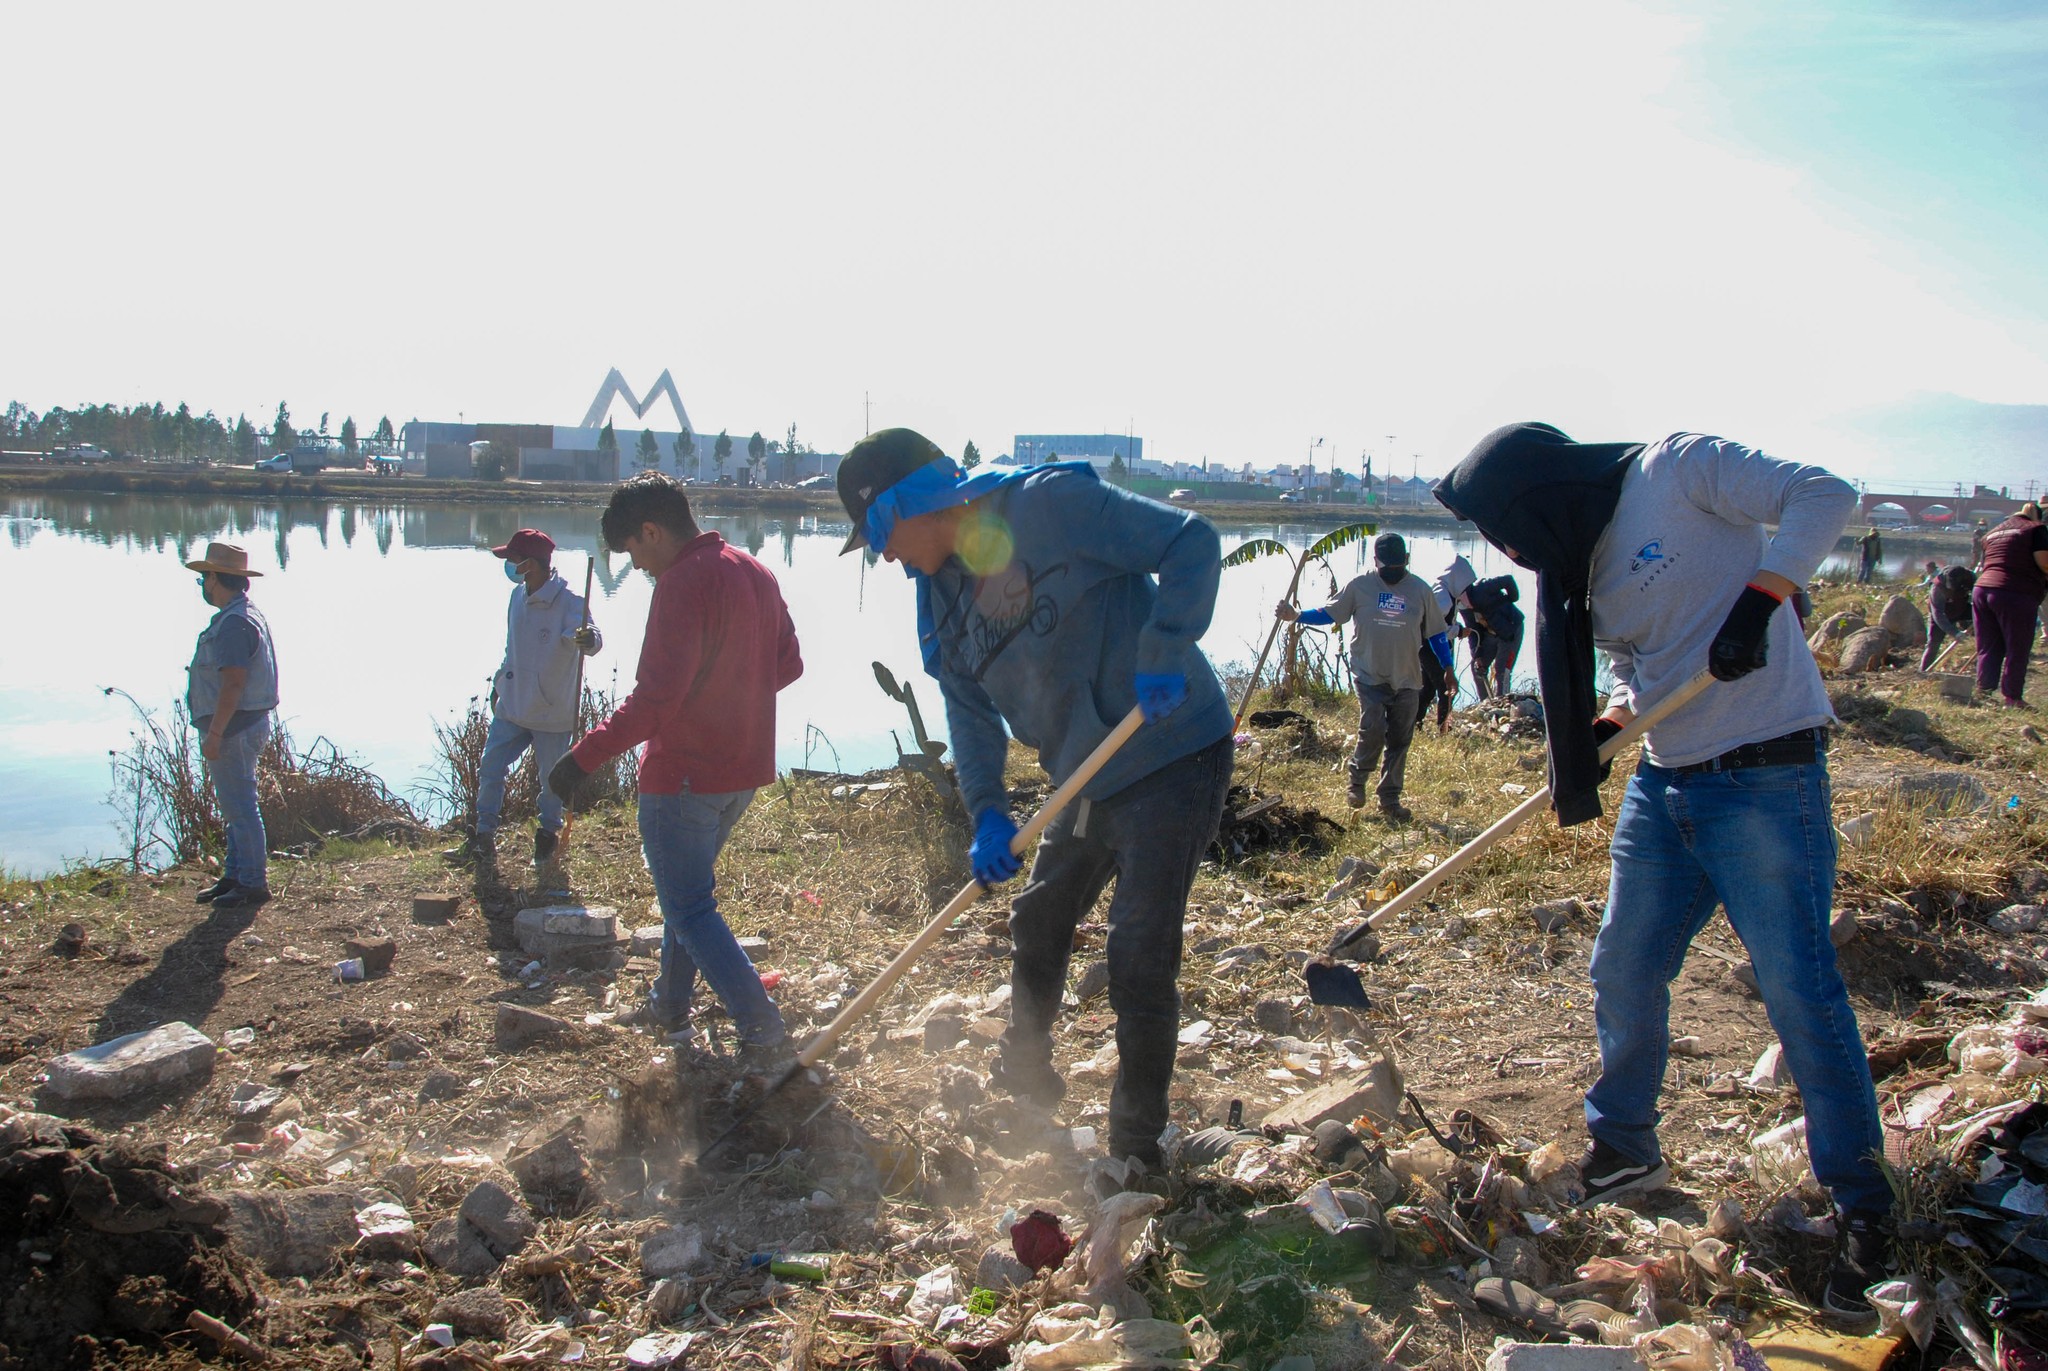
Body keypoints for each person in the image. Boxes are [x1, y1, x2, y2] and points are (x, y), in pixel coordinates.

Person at [1435, 423, 1887, 1318]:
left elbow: (1826, 491)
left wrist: (1763, 599)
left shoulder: (1678, 470)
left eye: (1504, 528)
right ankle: (1627, 1144)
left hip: (1766, 774)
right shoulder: (1579, 569)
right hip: (1666, 784)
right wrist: (1610, 723)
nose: (1507, 550)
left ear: (1540, 494)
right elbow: (1633, 667)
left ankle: (1867, 1207)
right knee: (1625, 961)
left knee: (1799, 988)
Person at [835, 428, 1233, 1168]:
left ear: (914, 501)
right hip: (1087, 771)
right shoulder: (937, 601)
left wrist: (1165, 645)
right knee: (1040, 917)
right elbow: (968, 709)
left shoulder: (1050, 505)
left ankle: (1137, 1144)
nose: (883, 555)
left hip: (1171, 747)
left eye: (880, 534)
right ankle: (1024, 1081)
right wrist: (986, 806)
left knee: (1139, 950)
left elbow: (1190, 543)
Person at [546, 474, 802, 1059]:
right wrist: (730, 700)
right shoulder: (753, 569)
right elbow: (788, 663)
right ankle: (669, 1006)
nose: (636, 566)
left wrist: (582, 758)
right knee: (688, 901)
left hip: (684, 777)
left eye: (633, 550)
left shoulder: (683, 581)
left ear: (652, 531)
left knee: (688, 906)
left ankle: (760, 1024)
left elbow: (655, 700)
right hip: (742, 773)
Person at [451, 529, 601, 868]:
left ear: (530, 564)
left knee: (551, 782)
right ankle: (483, 836)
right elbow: (512, 647)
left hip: (551, 712)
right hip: (512, 705)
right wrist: (500, 682)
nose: (509, 565)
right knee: (491, 766)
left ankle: (547, 837)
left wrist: (586, 639)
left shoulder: (571, 602)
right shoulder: (517, 597)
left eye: (512, 560)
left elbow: (592, 638)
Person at [1275, 533, 1451, 819]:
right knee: (1373, 729)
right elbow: (1331, 613)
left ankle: (1390, 799)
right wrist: (1296, 615)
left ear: (1406, 561)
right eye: (1386, 566)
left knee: (1400, 739)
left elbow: (1436, 633)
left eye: (1398, 566)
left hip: (1406, 678)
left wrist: (1448, 668)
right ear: (1376, 562)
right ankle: (1357, 782)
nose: (1392, 571)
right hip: (1370, 675)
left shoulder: (1420, 590)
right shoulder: (1360, 586)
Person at [184, 542, 279, 912]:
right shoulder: (241, 614)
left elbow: (233, 683)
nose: (202, 587)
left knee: (240, 807)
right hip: (242, 726)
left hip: (235, 730)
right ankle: (235, 876)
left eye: (203, 579)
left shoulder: (234, 623)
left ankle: (253, 883)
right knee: (235, 806)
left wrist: (216, 734)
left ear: (214, 579)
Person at [1971, 502, 2048, 708]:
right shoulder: (2035, 529)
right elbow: (2044, 562)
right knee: (2017, 647)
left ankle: (1984, 692)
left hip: (1982, 590)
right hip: (2014, 592)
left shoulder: (1994, 532)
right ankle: (2012, 698)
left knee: (1988, 646)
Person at [1465, 573, 1525, 699]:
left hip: (1511, 630)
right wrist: (1477, 655)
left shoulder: (1482, 588)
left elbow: (1508, 580)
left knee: (1502, 670)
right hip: (1490, 634)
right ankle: (1486, 704)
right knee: (1477, 668)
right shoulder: (1463, 608)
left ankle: (1503, 703)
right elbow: (1473, 632)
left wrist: (1512, 599)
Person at [1922, 564, 1975, 673]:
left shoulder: (1970, 577)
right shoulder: (1937, 588)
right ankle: (1923, 672)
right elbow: (1938, 614)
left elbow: (1976, 596)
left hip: (1961, 607)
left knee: (1983, 615)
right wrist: (1955, 633)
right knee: (1933, 643)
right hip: (1942, 615)